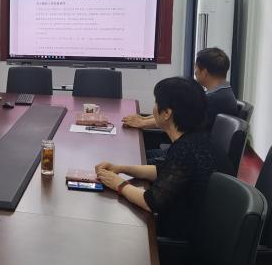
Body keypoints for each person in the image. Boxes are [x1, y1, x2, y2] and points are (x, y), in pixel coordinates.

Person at [95, 77, 216, 243]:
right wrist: (121, 168)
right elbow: (163, 171)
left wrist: (118, 184)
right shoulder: (197, 138)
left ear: (167, 113)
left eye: (156, 102)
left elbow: (151, 202)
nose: (154, 108)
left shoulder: (185, 150)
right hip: (194, 225)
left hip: (181, 239)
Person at [123, 47, 239, 132]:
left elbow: (175, 119)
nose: (195, 72)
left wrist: (142, 123)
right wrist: (143, 119)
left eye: (196, 68)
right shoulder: (221, 92)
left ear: (204, 72)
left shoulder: (213, 99)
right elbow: (174, 112)